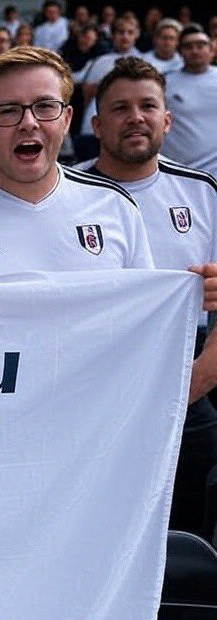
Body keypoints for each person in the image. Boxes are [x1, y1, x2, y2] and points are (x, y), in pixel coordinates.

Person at [81, 57, 217, 536]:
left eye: (147, 106)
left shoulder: (203, 193)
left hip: (188, 381)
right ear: (96, 125)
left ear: (167, 119)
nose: (135, 117)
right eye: (120, 108)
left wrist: (197, 380)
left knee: (185, 532)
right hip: (90, 387)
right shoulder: (66, 193)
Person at [0, 46, 154, 279]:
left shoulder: (116, 206)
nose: (29, 122)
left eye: (45, 106)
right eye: (8, 110)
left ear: (66, 120)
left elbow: (146, 313)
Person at [163, 25, 217, 177]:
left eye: (200, 45)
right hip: (179, 174)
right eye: (188, 46)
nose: (195, 50)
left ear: (211, 49)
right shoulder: (164, 83)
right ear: (180, 51)